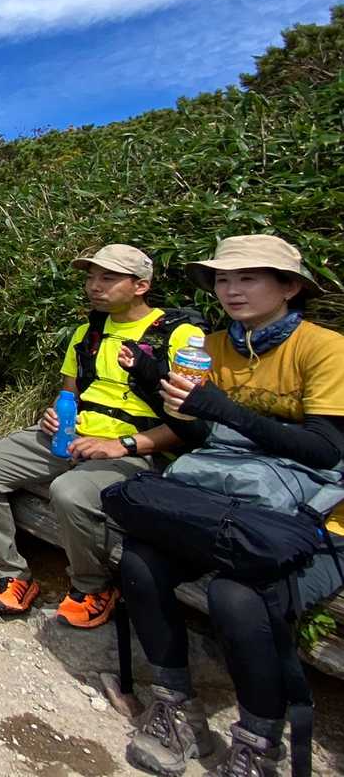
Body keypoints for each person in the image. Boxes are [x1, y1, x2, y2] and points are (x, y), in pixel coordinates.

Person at [119, 235, 344, 777]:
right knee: (141, 560)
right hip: (234, 501)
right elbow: (201, 436)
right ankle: (177, 708)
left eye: (248, 278)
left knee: (237, 594)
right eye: (223, 279)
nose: (231, 290)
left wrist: (225, 410)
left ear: (289, 288)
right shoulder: (215, 346)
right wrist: (154, 387)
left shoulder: (324, 349)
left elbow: (328, 450)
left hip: (315, 517)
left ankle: (258, 744)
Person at [0, 244, 196, 628]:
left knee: (68, 493)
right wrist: (53, 414)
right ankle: (13, 574)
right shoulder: (88, 333)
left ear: (141, 286)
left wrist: (118, 445)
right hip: (74, 435)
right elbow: (69, 393)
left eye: (108, 278)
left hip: (136, 449)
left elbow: (189, 426)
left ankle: (93, 587)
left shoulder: (179, 336)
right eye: (91, 277)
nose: (94, 286)